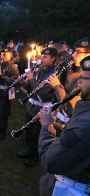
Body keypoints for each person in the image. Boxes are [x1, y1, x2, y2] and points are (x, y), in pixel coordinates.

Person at [38, 55, 90, 196]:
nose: (79, 81)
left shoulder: (85, 124)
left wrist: (47, 126)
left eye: (84, 78)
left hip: (71, 189)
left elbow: (50, 160)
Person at [17, 47, 62, 166]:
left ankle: (36, 155)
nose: (42, 59)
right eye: (41, 56)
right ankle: (30, 150)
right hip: (31, 105)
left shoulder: (54, 74)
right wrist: (24, 82)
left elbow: (43, 93)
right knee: (29, 130)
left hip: (41, 108)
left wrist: (31, 79)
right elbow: (31, 88)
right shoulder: (39, 69)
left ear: (52, 59)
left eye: (45, 57)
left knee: (36, 133)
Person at [0, 47, 19, 141]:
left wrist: (2, 76)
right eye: (1, 54)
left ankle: (3, 131)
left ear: (10, 55)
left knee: (3, 113)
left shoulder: (13, 67)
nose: (3, 56)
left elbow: (15, 81)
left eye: (5, 54)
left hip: (5, 94)